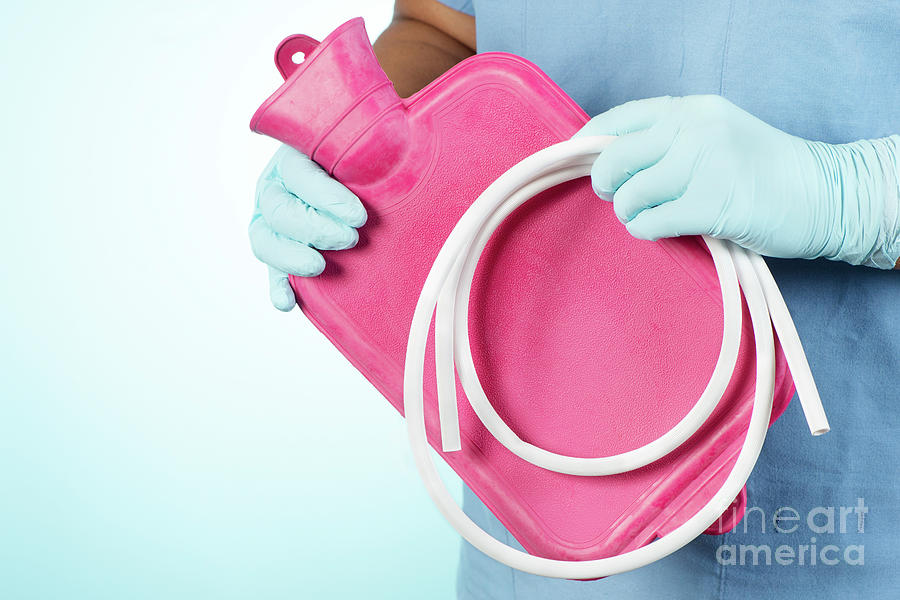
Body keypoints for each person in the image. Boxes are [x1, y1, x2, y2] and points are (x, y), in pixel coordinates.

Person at [248, 1, 900, 598]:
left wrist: (853, 196)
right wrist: (353, 142)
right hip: (540, 532)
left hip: (852, 524)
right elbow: (440, 25)